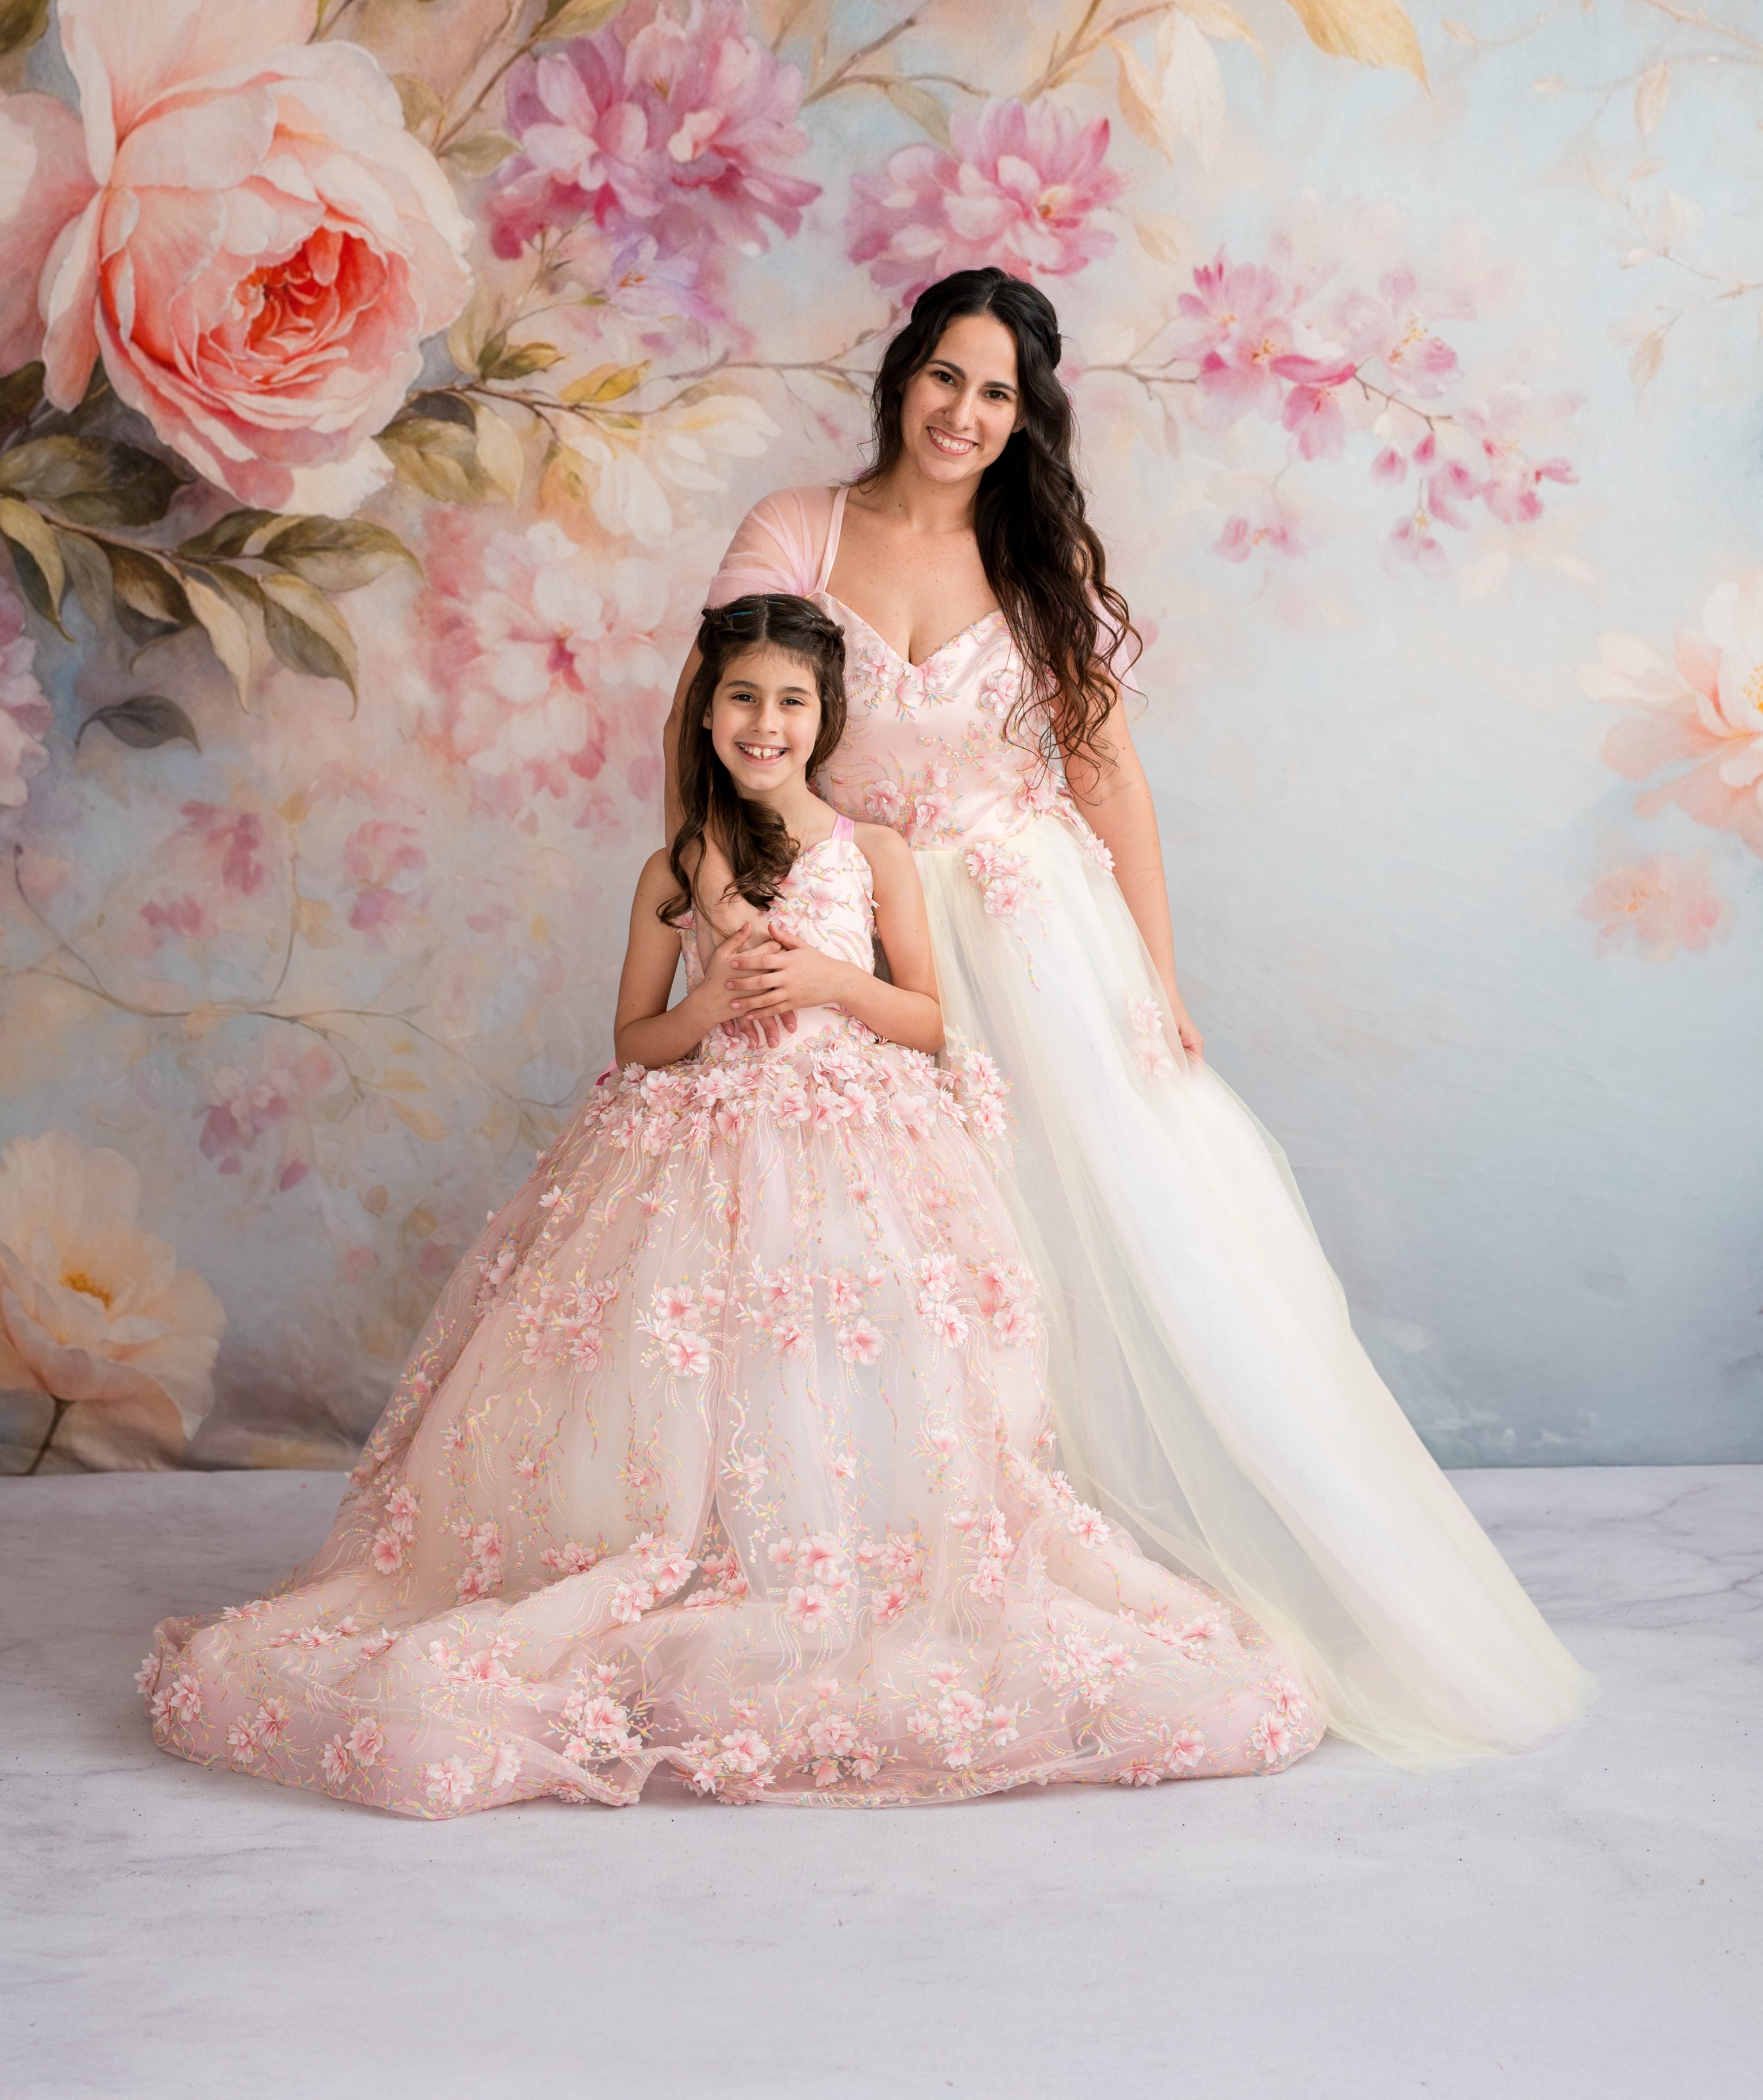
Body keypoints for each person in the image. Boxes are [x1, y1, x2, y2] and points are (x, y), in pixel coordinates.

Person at [141, 594, 1324, 1813]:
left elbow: (928, 1017)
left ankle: (836, 1558)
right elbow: (635, 1038)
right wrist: (705, 1010)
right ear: (705, 710)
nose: (764, 723)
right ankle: (692, 1546)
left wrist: (827, 979)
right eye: (742, 697)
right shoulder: (676, 866)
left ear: (826, 717)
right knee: (685, 1362)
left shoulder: (875, 855)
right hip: (697, 1144)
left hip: (853, 1145)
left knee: (843, 1353)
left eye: (790, 701)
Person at [675, 268, 1597, 1769]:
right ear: (901, 373)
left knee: (1105, 1228)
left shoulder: (1041, 571)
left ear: (1024, 416)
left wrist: (1156, 980)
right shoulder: (798, 532)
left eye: (998, 394)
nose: (964, 414)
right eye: (946, 377)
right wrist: (752, 930)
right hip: (854, 927)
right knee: (858, 1244)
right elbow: (729, 744)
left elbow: (1108, 780)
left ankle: (1153, 1544)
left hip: (1033, 937)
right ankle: (861, 1552)